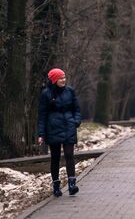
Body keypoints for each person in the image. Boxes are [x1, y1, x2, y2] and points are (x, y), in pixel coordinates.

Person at [38, 68, 81, 197]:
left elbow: (76, 109)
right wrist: (41, 134)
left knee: (69, 155)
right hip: (53, 128)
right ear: (54, 80)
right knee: (55, 157)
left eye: (64, 77)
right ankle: (56, 186)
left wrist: (76, 121)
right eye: (61, 78)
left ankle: (72, 184)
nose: (64, 80)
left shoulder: (70, 91)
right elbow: (42, 115)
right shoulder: (46, 94)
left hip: (69, 126)